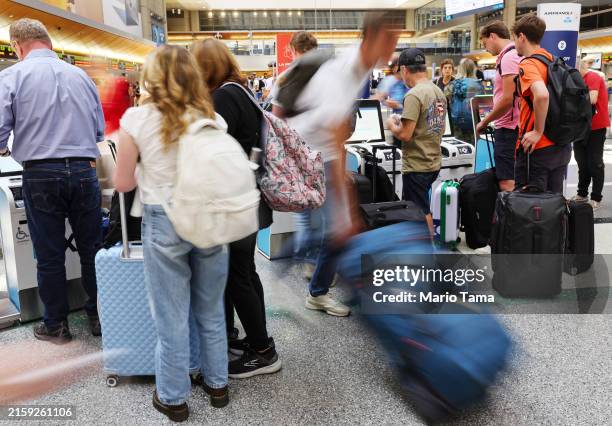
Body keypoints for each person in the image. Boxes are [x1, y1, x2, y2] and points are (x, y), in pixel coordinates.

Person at [113, 45, 230, 421]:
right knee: (211, 309)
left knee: (171, 317)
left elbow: (122, 181)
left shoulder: (137, 118)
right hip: (210, 219)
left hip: (164, 220)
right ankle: (217, 386)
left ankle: (173, 398)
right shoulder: (212, 116)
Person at [274, 13, 399, 316]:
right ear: (370, 36)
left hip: (320, 152)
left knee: (334, 230)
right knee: (332, 229)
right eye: (388, 39)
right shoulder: (345, 68)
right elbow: (335, 128)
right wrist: (344, 198)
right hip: (310, 153)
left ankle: (319, 289)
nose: (392, 47)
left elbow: (337, 129)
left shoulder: (360, 68)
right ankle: (298, 275)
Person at [0, 19, 104, 344]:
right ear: (48, 42)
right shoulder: (81, 76)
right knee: (92, 250)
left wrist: (7, 148)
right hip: (86, 172)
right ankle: (101, 315)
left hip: (41, 174)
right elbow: (99, 131)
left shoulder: (11, 76)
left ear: (18, 46)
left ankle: (56, 325)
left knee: (49, 254)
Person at [191, 39, 281, 379]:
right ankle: (254, 338)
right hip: (249, 196)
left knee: (235, 276)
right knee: (244, 272)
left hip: (234, 201)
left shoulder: (222, 98)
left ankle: (262, 350)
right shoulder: (241, 90)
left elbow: (211, 148)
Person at [271, 31, 320, 276]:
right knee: (321, 213)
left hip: (299, 153)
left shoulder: (285, 78)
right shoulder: (327, 78)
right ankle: (312, 261)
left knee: (305, 214)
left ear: (293, 50)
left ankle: (308, 261)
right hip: (323, 152)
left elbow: (275, 119)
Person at [386, 48, 446, 230]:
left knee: (419, 212)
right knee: (423, 206)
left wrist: (391, 124)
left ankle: (426, 254)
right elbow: (433, 125)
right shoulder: (437, 90)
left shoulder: (413, 95)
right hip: (433, 161)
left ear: (404, 69)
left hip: (417, 165)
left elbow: (405, 134)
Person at [512, 14, 571, 194]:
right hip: (560, 146)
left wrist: (537, 131)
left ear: (522, 37)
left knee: (531, 211)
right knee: (553, 206)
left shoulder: (529, 64)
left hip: (537, 151)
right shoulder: (553, 60)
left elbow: (542, 95)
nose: (515, 43)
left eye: (515, 39)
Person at [476, 20, 521, 192]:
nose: (486, 48)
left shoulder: (508, 57)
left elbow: (508, 98)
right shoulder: (517, 54)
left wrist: (485, 121)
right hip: (518, 125)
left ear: (492, 36)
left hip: (509, 128)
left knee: (507, 181)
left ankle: (510, 218)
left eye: (484, 42)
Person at [572, 56, 610, 210]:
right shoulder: (575, 80)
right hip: (580, 127)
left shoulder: (592, 77)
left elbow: (592, 99)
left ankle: (596, 197)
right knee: (581, 161)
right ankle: (582, 194)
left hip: (596, 126)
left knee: (595, 163)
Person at [445, 58, 484, 145]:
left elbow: (445, 98)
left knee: (460, 148)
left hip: (456, 124)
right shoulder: (479, 85)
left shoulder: (454, 84)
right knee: (474, 149)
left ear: (460, 69)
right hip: (474, 124)